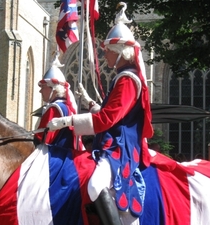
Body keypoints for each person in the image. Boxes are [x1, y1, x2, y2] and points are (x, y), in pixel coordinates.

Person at [47, 3, 153, 225]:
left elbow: (107, 120)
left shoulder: (127, 80)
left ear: (120, 52)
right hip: (111, 142)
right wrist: (91, 103)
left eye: (107, 51)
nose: (105, 56)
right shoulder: (123, 78)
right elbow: (110, 114)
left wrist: (69, 121)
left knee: (95, 186)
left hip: (120, 147)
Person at [34, 54, 85, 150]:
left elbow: (41, 140)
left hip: (56, 155)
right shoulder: (66, 106)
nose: (40, 91)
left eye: (43, 87)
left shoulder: (54, 108)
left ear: (53, 89)